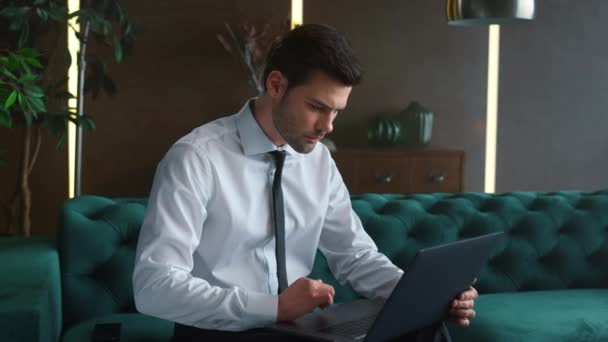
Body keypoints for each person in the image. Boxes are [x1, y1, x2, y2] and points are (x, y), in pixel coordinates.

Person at [132, 23, 477, 341]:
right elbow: (154, 287)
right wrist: (274, 308)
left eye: (336, 111)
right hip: (220, 332)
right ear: (276, 85)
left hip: (298, 331)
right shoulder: (196, 158)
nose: (328, 126)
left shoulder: (319, 160)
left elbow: (355, 256)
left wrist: (425, 295)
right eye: (317, 107)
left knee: (423, 328)